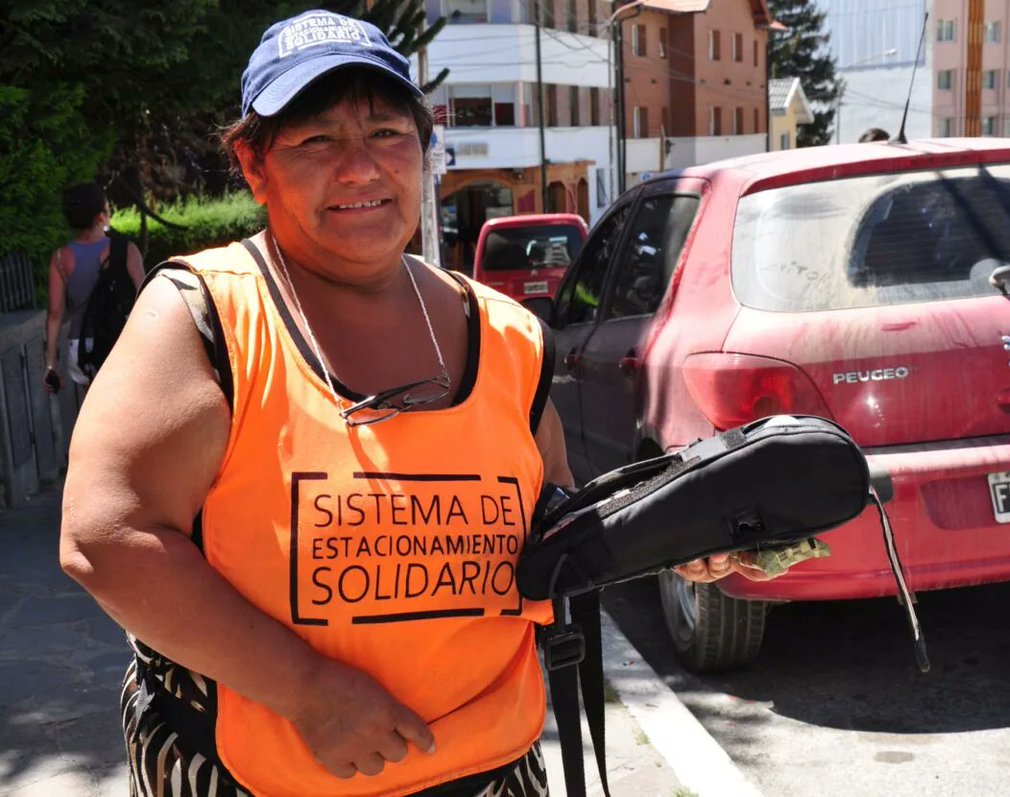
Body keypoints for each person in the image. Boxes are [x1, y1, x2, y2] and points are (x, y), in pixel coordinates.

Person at [59, 10, 767, 797]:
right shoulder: (207, 318)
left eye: (388, 133)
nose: (360, 167)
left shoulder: (505, 334)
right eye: (316, 141)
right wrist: (307, 689)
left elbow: (553, 525)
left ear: (424, 149)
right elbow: (105, 534)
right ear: (253, 165)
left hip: (490, 769)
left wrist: (668, 534)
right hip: (257, 776)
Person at [43, 182, 145, 393]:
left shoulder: (60, 258)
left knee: (94, 411)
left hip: (80, 348)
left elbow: (55, 312)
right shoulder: (126, 250)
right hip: (120, 341)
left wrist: (51, 364)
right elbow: (145, 298)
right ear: (101, 215)